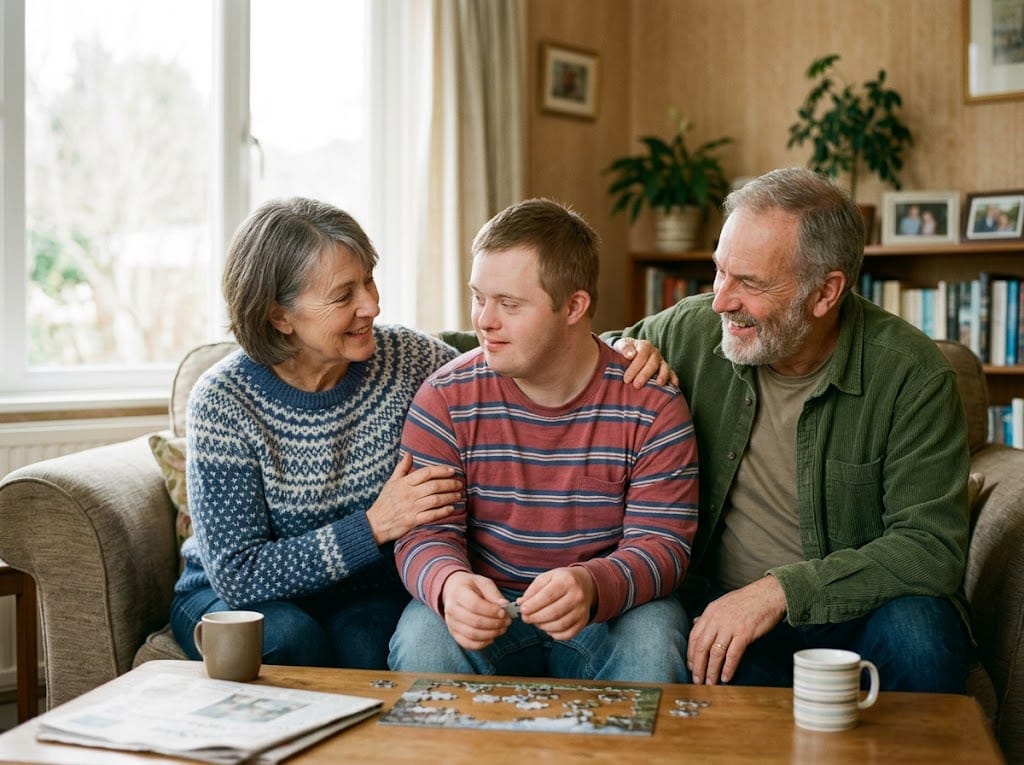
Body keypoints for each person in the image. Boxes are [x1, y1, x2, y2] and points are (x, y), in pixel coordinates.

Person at [610, 167, 971, 693]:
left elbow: (931, 547)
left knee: (922, 636)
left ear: (825, 293)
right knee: (719, 675)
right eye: (719, 272)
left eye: (750, 283)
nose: (721, 301)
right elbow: (572, 354)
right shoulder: (690, 330)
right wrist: (622, 350)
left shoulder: (913, 375)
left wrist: (777, 592)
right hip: (728, 612)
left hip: (862, 609)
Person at [388, 198, 699, 682]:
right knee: (422, 637)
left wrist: (592, 584)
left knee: (654, 638)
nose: (484, 321)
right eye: (478, 297)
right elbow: (424, 533)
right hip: (487, 607)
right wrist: (449, 585)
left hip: (606, 610)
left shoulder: (651, 403)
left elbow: (663, 545)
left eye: (509, 304)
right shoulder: (445, 398)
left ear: (574, 306)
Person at [170, 197, 465, 670]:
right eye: (344, 295)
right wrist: (374, 526)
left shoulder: (407, 359)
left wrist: (620, 351)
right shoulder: (224, 401)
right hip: (230, 595)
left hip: (362, 594)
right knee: (288, 638)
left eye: (368, 278)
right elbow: (238, 574)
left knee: (369, 644)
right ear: (279, 315)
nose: (372, 304)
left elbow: (505, 369)